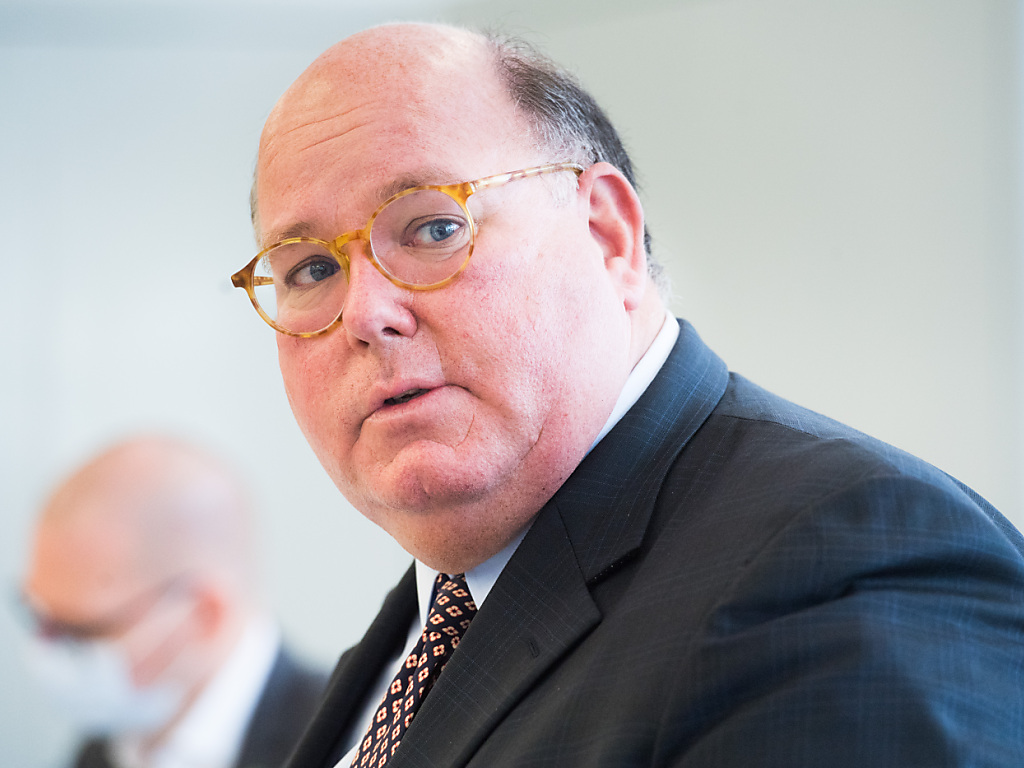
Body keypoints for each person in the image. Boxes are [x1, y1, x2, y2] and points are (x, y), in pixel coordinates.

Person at [229, 22, 1024, 767]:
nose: (365, 314)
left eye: (434, 228)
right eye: (311, 269)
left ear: (607, 234)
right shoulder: (420, 632)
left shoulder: (841, 558)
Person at [21, 436, 328, 768]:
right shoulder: (103, 746)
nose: (46, 650)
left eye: (82, 633)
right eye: (37, 616)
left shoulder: (341, 740)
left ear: (205, 614)